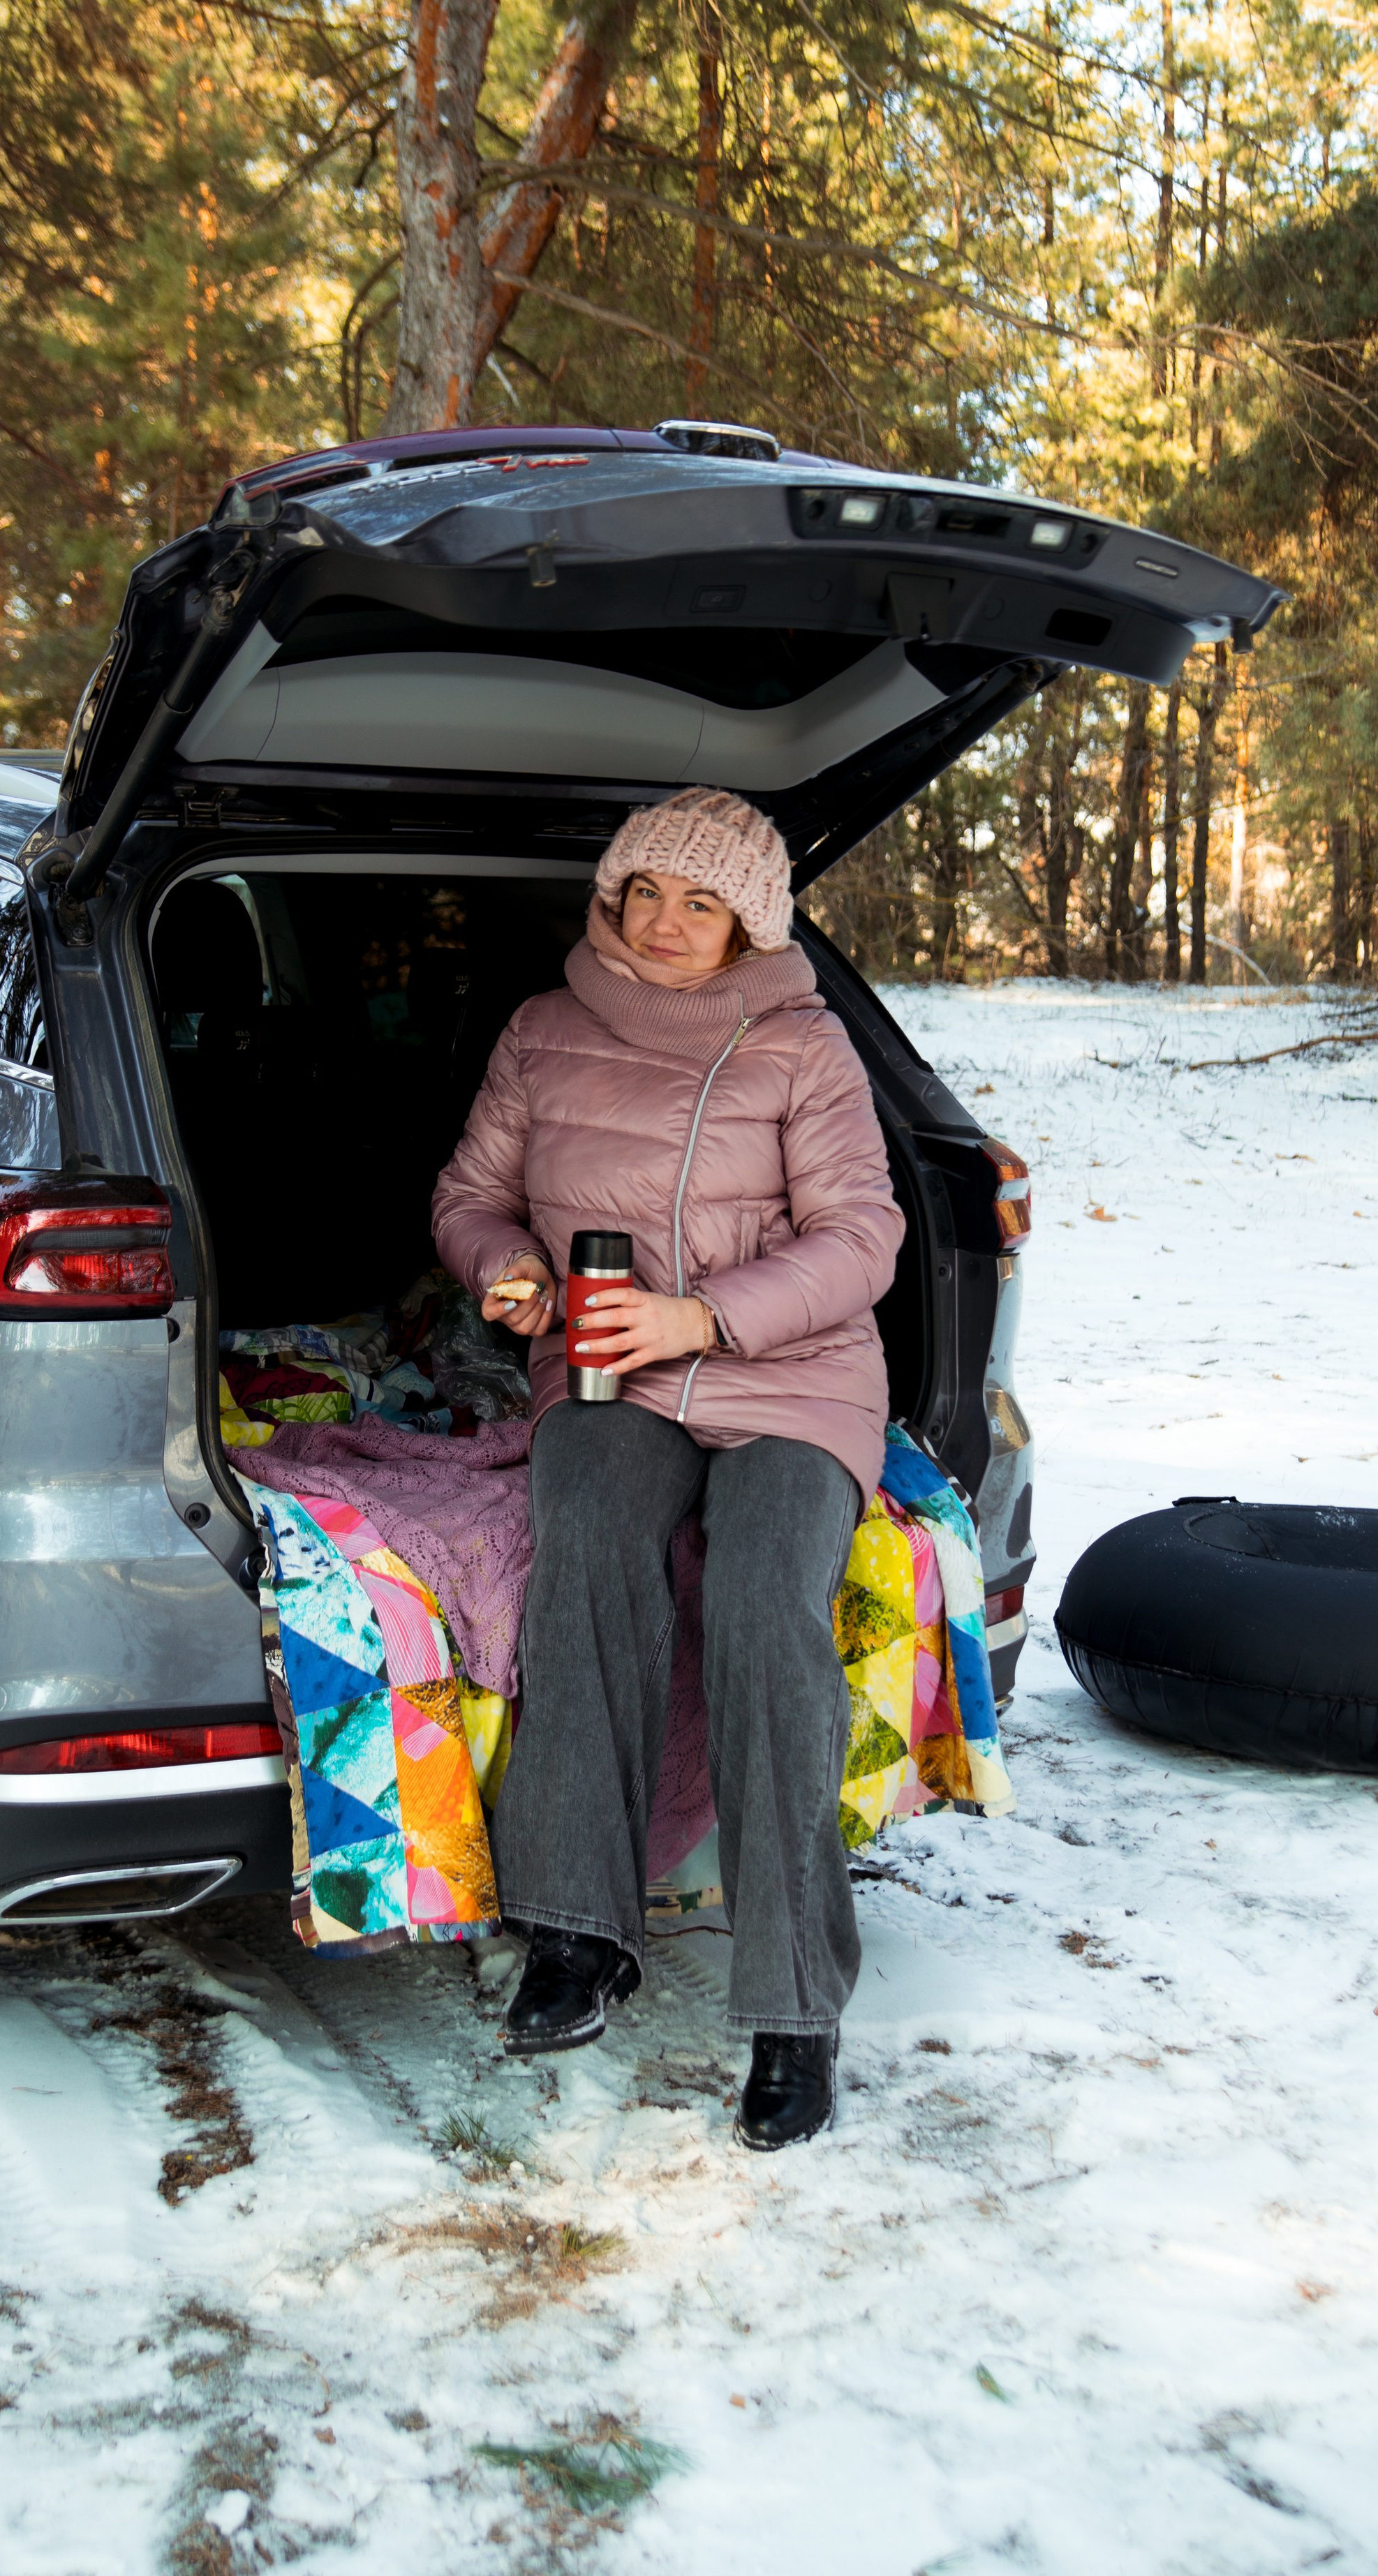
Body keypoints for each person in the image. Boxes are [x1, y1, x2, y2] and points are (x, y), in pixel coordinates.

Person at [431, 787, 903, 2148]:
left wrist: (703, 1319)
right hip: (604, 1372)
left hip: (789, 1374)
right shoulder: (543, 1029)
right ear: (608, 896)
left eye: (700, 901)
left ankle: (794, 2011)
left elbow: (862, 1239)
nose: (665, 920)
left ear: (749, 922)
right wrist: (503, 1269)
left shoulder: (803, 1046)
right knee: (583, 1550)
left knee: (762, 1606)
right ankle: (577, 1934)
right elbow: (470, 1196)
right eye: (644, 890)